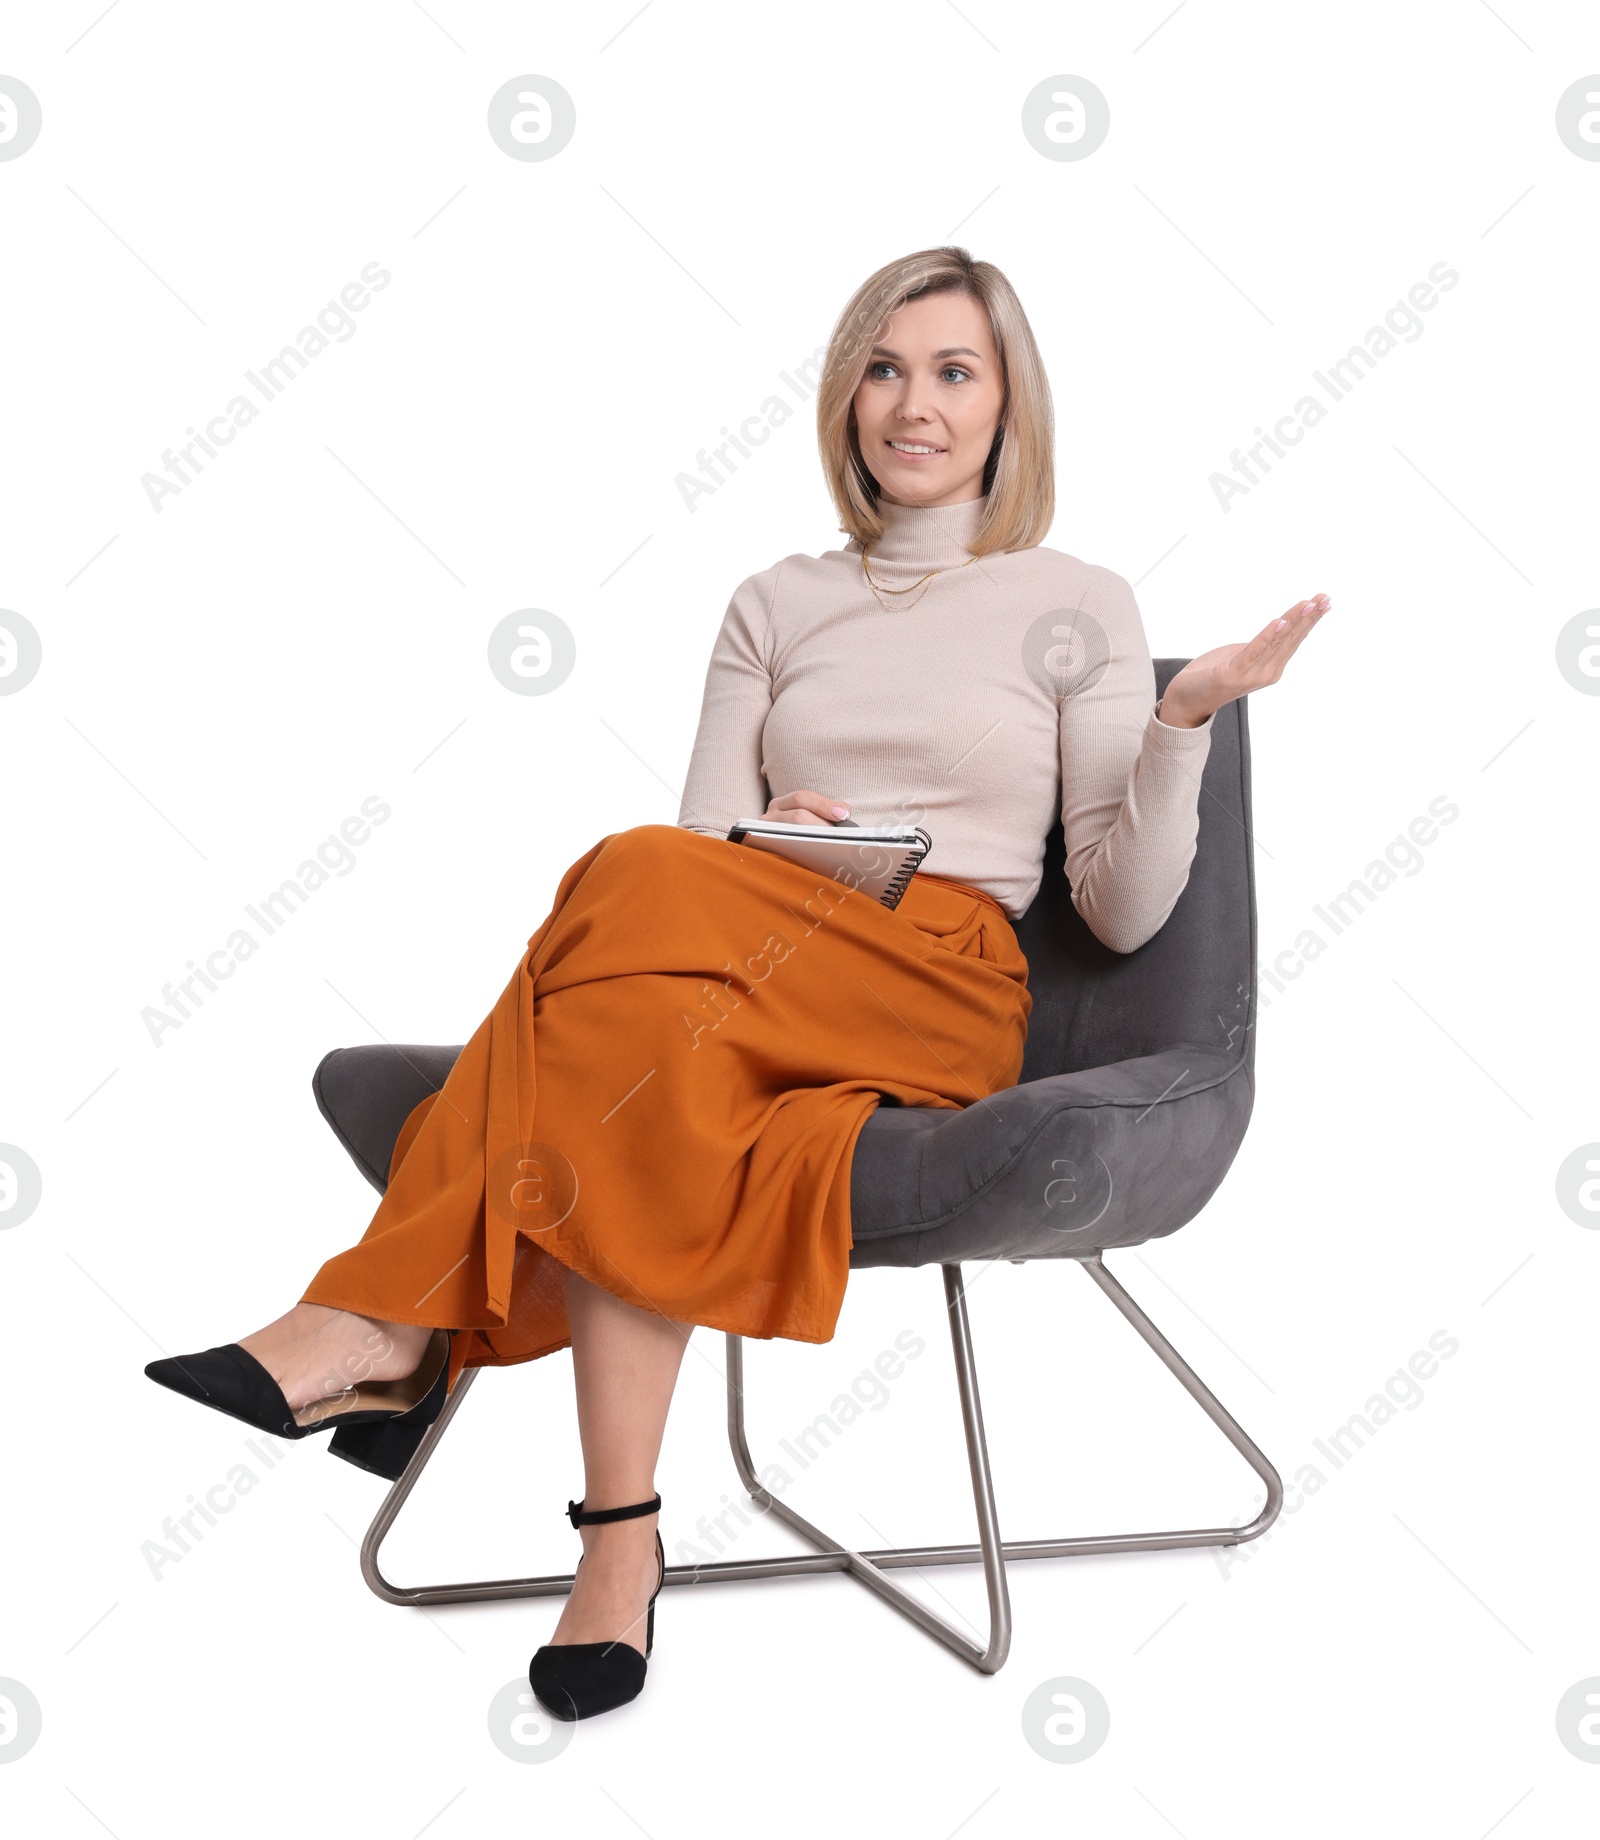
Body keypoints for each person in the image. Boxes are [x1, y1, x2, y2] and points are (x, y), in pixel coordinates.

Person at [144, 245, 1327, 1721]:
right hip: (749, 955)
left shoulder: (1073, 600)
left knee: (626, 872)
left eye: (955, 371)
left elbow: (1123, 908)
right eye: (886, 369)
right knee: (643, 986)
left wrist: (1182, 721)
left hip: (945, 978)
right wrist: (797, 853)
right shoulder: (774, 602)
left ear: (1009, 402)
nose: (916, 404)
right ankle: (620, 1544)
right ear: (845, 400)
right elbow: (705, 851)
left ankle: (396, 1322)